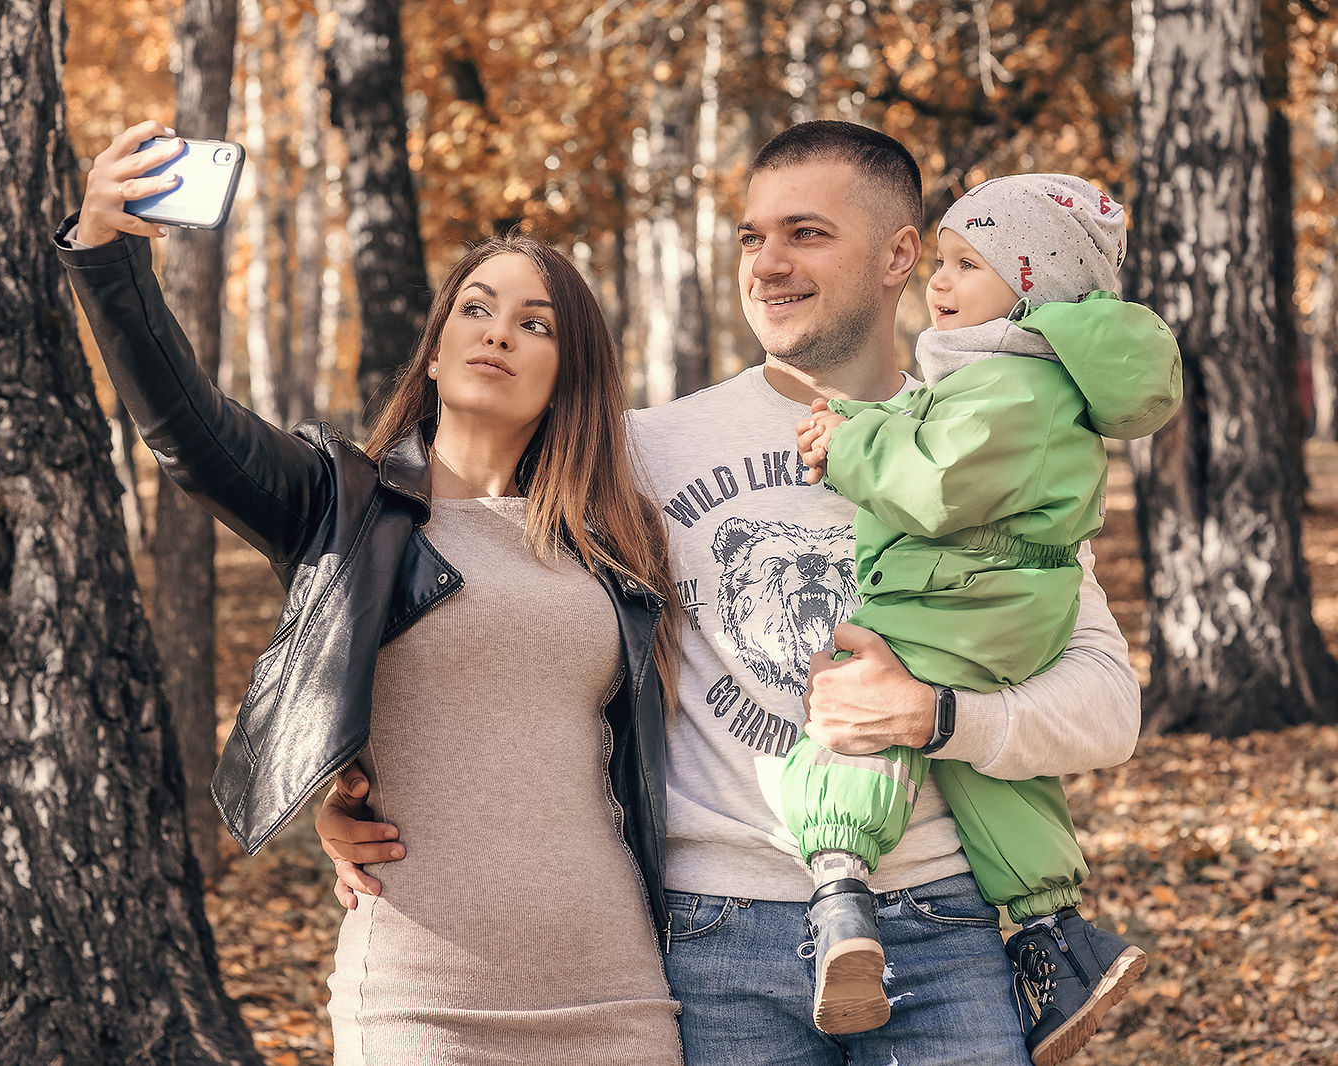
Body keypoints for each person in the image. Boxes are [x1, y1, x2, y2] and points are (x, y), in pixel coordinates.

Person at [321, 121, 1145, 1066]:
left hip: (940, 929)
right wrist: (346, 776)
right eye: (753, 237)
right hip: (715, 941)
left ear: (901, 254)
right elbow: (461, 600)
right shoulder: (639, 452)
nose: (768, 265)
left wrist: (934, 714)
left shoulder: (990, 442)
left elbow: (1108, 706)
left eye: (807, 233)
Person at [55, 121, 684, 1065]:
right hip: (418, 998)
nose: (500, 332)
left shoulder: (617, 545)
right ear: (433, 352)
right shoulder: (341, 503)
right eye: (476, 308)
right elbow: (190, 428)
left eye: (535, 322)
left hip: (614, 985)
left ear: (568, 376)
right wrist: (105, 254)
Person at [786, 173, 1177, 1062]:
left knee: (865, 706)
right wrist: (861, 420)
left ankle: (841, 887)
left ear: (1034, 286)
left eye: (970, 262)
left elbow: (936, 481)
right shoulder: (1014, 379)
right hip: (1001, 605)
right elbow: (934, 437)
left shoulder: (1016, 384)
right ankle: (1052, 936)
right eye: (944, 261)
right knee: (991, 772)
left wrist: (848, 443)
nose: (942, 281)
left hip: (969, 597)